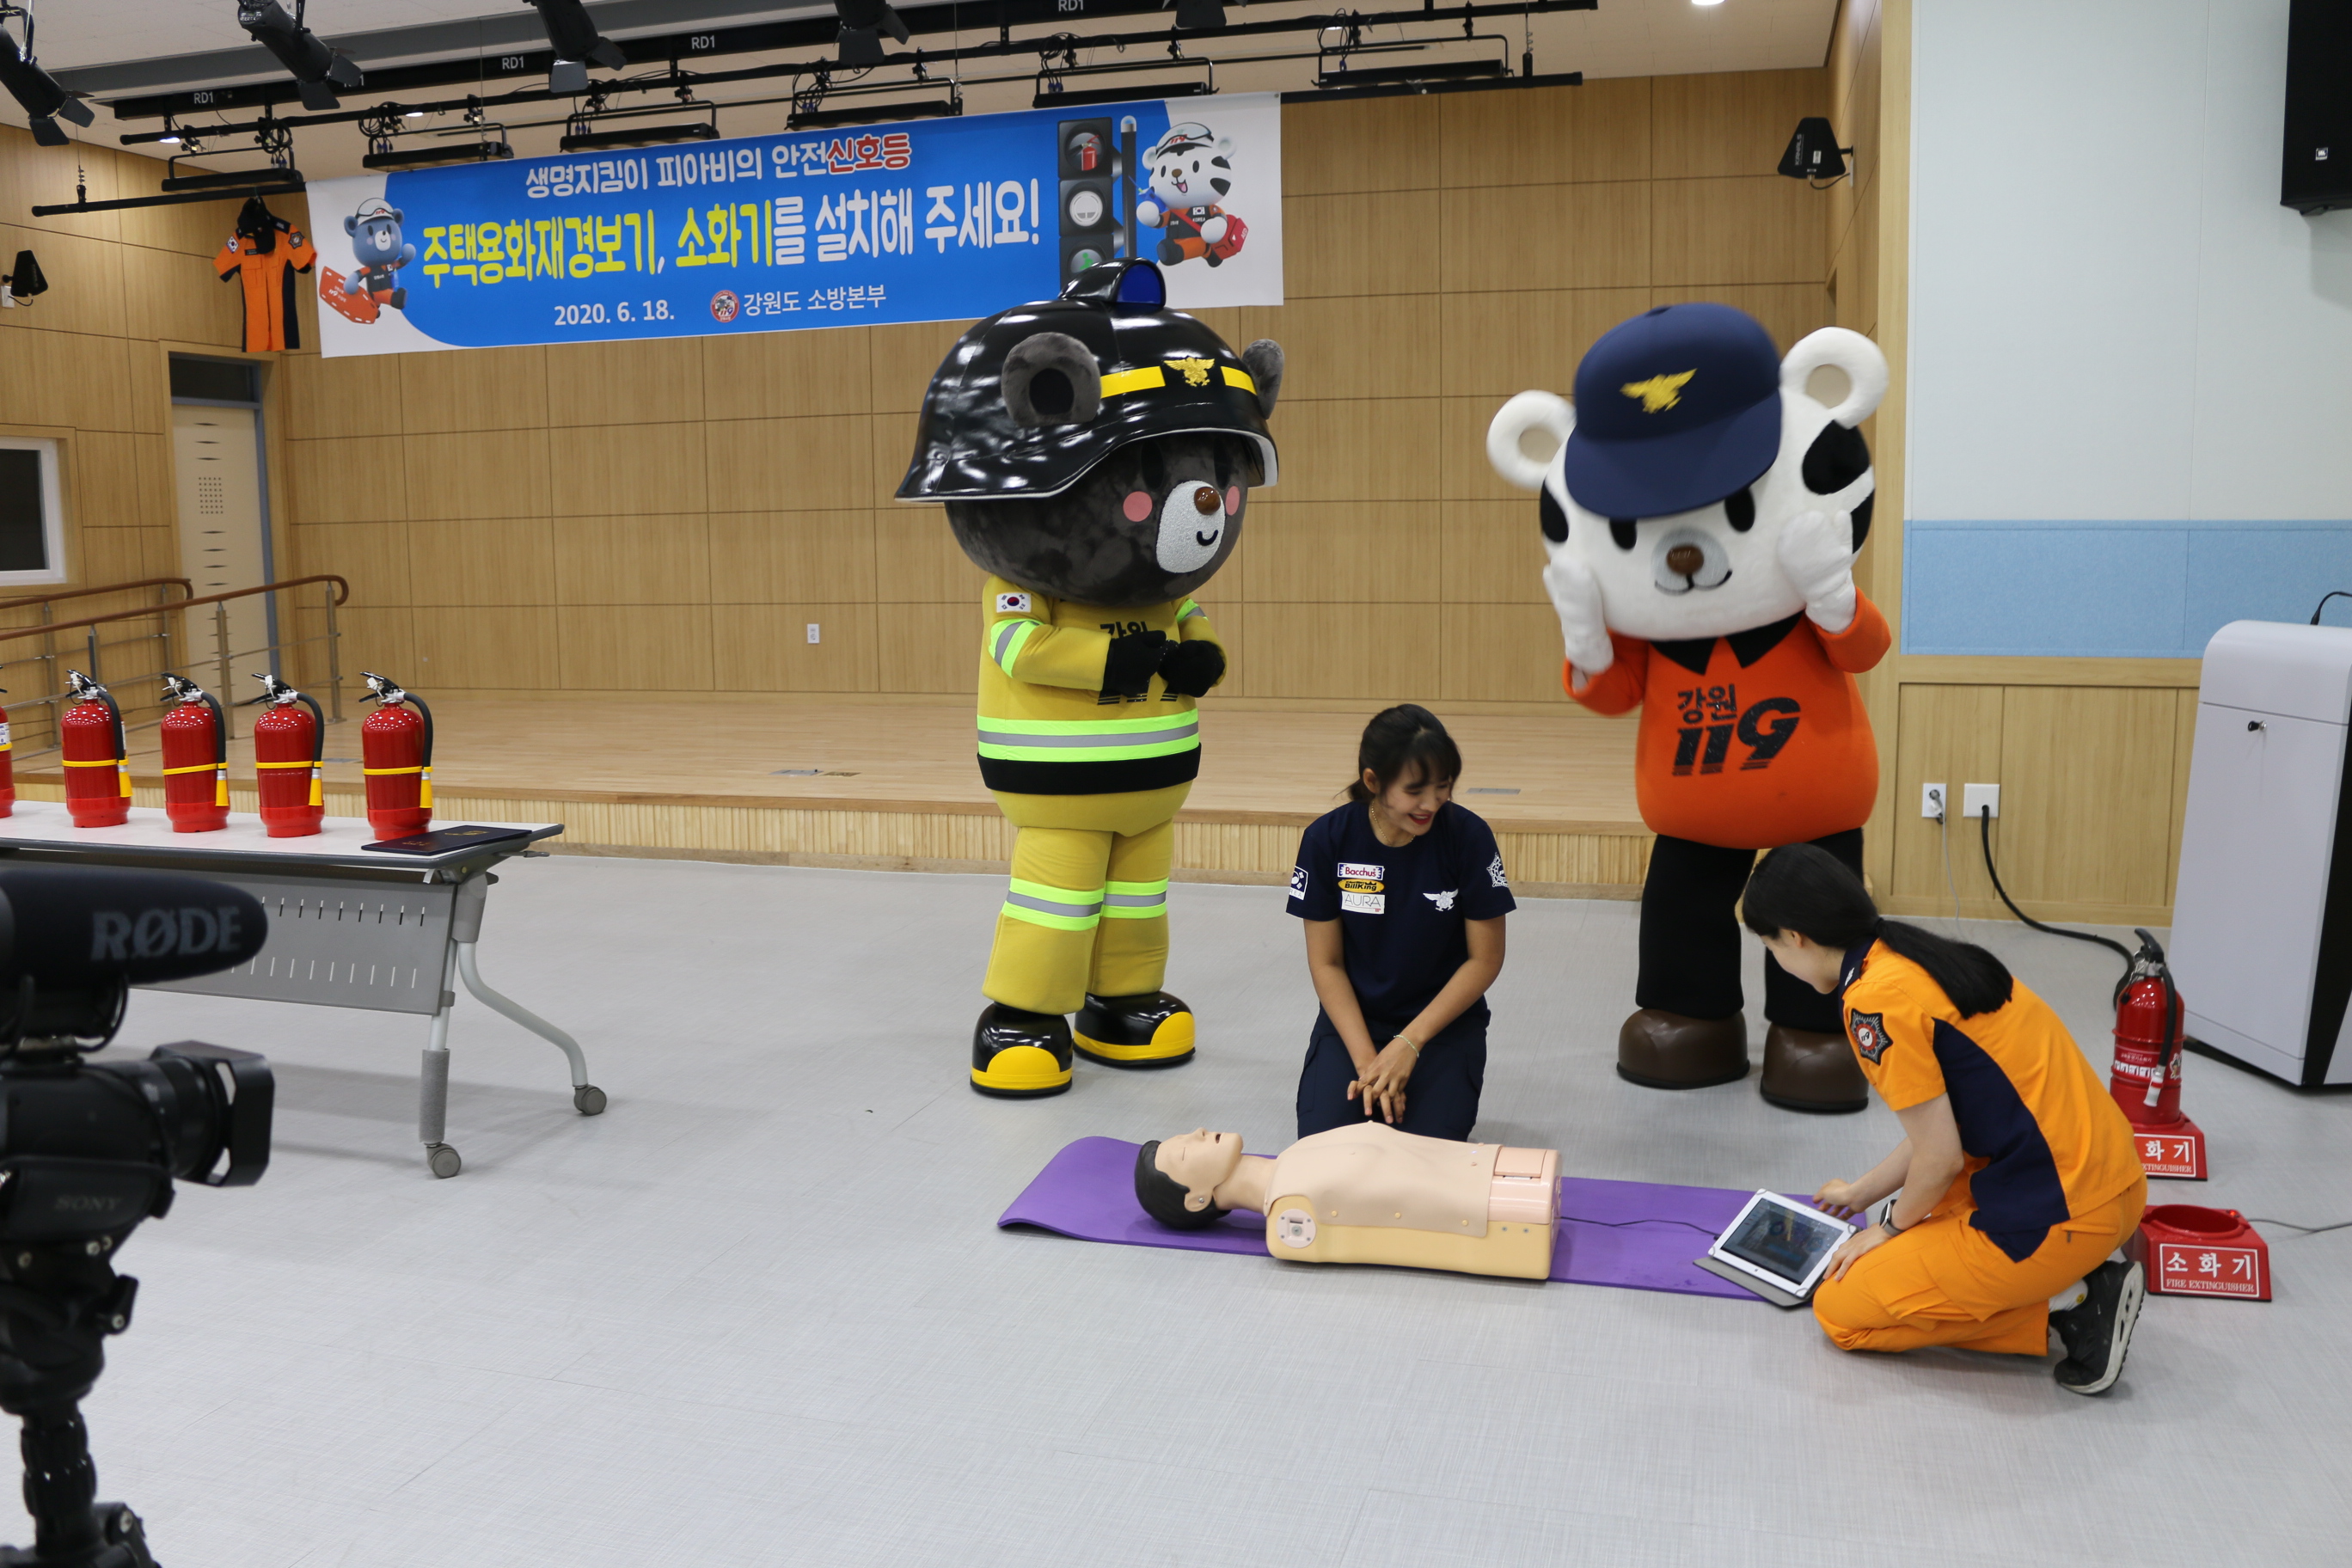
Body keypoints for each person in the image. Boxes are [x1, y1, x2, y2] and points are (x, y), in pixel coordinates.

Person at [1740, 844, 2150, 1395]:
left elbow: (1939, 1158)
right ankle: (2068, 1281)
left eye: (1769, 946)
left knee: (1840, 1307)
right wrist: (1863, 1193)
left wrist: (1888, 1229)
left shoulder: (1873, 1001)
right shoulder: (1913, 956)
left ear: (1795, 937)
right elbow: (1945, 1126)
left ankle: (2072, 1305)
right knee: (1914, 1221)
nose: (1776, 960)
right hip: (2114, 1186)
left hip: (2062, 1217)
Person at [1284, 706, 1514, 1141]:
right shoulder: (1326, 839)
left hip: (1441, 1027)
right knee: (1325, 1149)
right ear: (1373, 782)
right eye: (1414, 791)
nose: (1431, 803)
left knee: (1421, 1155)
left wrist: (1409, 1044)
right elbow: (1327, 963)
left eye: (1443, 786)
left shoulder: (1469, 837)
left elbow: (1485, 959)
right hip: (1355, 1026)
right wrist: (1369, 1065)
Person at [1134, 1124, 1559, 1279]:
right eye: (1186, 1151)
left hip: (1488, 1166)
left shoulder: (1297, 1154)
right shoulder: (1290, 1214)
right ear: (1198, 1200)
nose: (1199, 1132)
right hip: (1487, 1200)